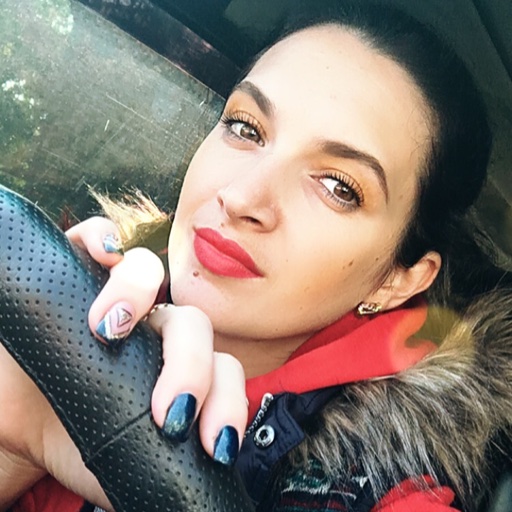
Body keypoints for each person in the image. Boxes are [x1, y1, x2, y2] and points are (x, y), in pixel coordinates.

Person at [1, 2, 511, 511]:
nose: (243, 197)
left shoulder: (392, 493)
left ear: (397, 281)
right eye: (246, 128)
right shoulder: (74, 304)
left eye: (338, 186)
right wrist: (15, 445)